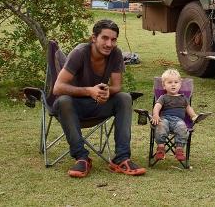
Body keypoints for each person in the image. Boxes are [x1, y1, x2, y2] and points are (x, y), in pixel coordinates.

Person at [53, 19, 146, 178]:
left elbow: (117, 86)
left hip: (98, 104)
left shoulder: (115, 53)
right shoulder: (80, 53)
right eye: (105, 38)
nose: (109, 44)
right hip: (74, 108)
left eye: (113, 39)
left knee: (124, 97)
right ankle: (81, 158)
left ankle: (122, 158)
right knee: (63, 101)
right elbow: (58, 87)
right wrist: (90, 91)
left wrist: (107, 92)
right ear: (94, 38)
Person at [151, 68, 199, 162]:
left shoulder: (183, 98)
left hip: (179, 121)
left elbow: (188, 108)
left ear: (180, 85)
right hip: (165, 119)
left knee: (182, 127)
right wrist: (155, 115)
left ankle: (179, 150)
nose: (173, 84)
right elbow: (157, 106)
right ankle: (161, 149)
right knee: (160, 125)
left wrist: (194, 116)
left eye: (176, 82)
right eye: (169, 82)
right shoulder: (163, 97)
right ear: (164, 86)